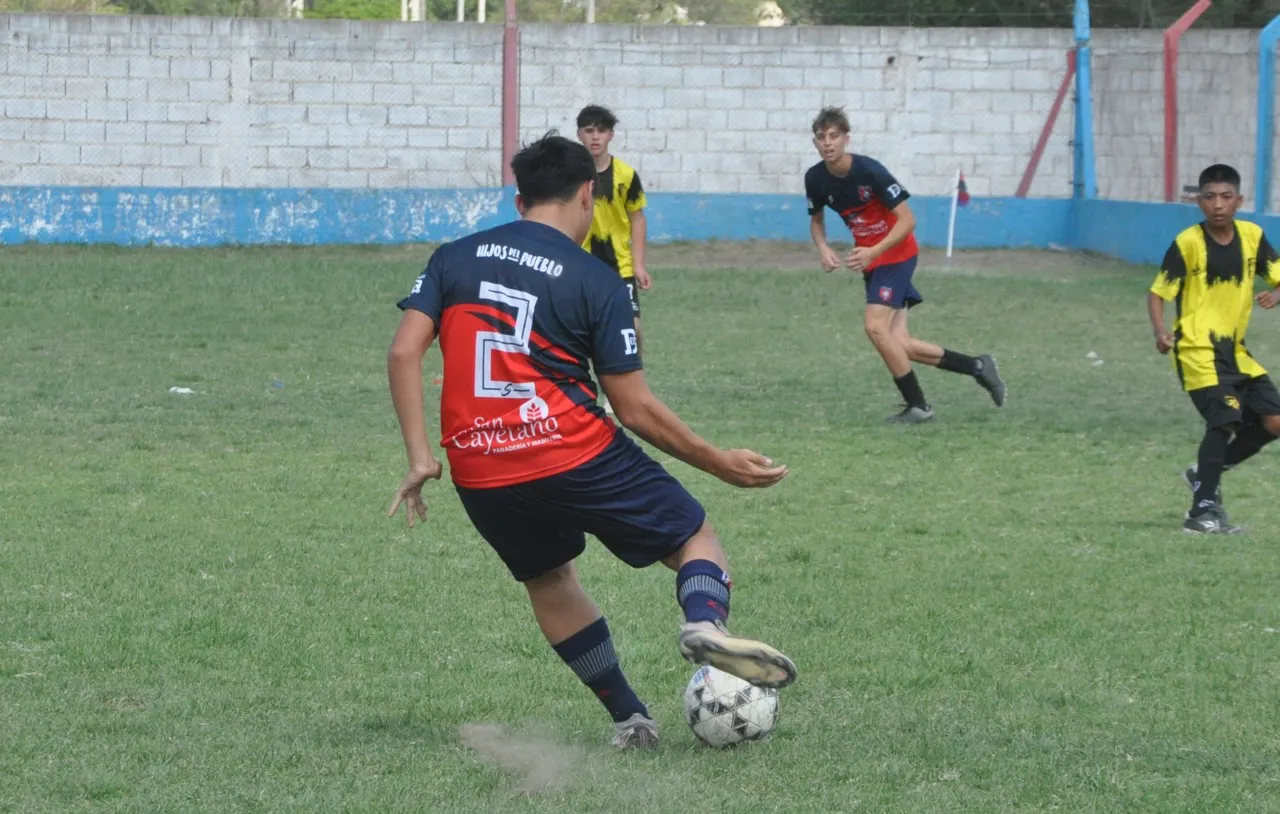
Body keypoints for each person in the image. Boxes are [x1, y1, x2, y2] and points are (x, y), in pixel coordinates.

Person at [385, 132, 798, 750]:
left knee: (548, 580)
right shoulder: (596, 278)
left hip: (479, 466)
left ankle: (631, 720)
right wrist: (718, 462)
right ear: (587, 195)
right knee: (694, 537)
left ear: (520, 199)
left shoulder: (453, 257)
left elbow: (403, 352)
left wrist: (422, 456)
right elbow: (634, 408)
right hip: (570, 448)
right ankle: (704, 625)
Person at [804, 106, 1007, 423]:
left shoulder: (870, 172)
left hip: (897, 255)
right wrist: (822, 247)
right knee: (900, 344)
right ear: (815, 142)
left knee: (874, 327)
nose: (827, 143)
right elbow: (816, 221)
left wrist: (873, 251)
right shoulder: (815, 178)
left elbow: (908, 221)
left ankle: (918, 407)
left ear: (846, 139)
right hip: (874, 262)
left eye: (834, 136)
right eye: (821, 137)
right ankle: (978, 367)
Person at [1148, 163, 1280, 534]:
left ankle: (1203, 474)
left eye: (1225, 197)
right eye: (1209, 197)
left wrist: (1276, 294)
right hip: (1197, 350)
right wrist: (1160, 332)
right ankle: (1200, 514)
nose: (1218, 204)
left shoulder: (1252, 236)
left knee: (1274, 421)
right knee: (1224, 420)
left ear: (1239, 200)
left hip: (1235, 352)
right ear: (1199, 202)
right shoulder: (1188, 242)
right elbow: (1158, 292)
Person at [576, 105, 650, 414]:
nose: (595, 137)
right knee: (583, 331)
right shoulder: (573, 174)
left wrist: (639, 264)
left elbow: (637, 218)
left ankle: (631, 385)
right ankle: (585, 387)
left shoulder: (626, 175)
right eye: (589, 130)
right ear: (579, 134)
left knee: (632, 328)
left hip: (619, 266)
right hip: (582, 264)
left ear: (611, 135)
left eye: (601, 131)